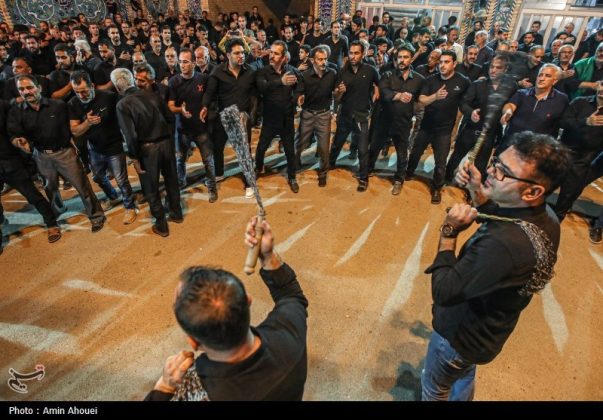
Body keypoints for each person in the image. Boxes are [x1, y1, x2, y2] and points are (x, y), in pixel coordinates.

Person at [422, 131, 571, 401]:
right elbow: (503, 215)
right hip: (488, 335)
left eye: (503, 172)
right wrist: (478, 189)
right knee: (463, 372)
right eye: (495, 162)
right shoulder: (546, 218)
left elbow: (444, 290)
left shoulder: (502, 246)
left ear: (533, 191)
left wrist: (449, 232)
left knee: (435, 387)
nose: (490, 171)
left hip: (460, 337)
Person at [145, 217, 308, 401]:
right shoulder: (289, 335)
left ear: (193, 342)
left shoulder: (196, 393)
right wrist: (268, 255)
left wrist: (164, 387)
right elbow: (291, 295)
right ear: (248, 301)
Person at [112, 68, 182, 237]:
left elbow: (130, 136)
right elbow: (171, 118)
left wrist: (135, 158)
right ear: (132, 80)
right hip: (166, 144)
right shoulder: (153, 95)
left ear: (116, 86)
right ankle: (176, 213)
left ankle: (161, 224)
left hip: (147, 150)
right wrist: (167, 139)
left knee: (151, 187)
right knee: (172, 180)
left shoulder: (123, 104)